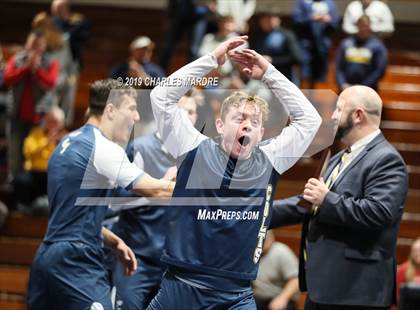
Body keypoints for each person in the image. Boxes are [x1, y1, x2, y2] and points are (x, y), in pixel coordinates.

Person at [147, 36, 321, 309]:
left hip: (235, 295)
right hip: (181, 287)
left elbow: (310, 120)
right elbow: (161, 97)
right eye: (239, 118)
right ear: (219, 125)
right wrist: (210, 61)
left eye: (255, 122)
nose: (247, 126)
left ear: (262, 133)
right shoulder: (193, 148)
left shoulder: (271, 158)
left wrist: (270, 75)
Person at [26, 79, 175, 310]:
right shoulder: (103, 147)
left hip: (47, 257)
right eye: (132, 108)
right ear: (110, 110)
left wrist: (114, 242)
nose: (136, 117)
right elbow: (156, 190)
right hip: (77, 261)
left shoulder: (66, 143)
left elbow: (74, 216)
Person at [270, 85, 409, 309]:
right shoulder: (338, 157)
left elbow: (378, 213)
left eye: (339, 109)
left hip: (356, 290)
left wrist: (327, 200)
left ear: (358, 115)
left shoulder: (386, 159)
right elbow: (308, 203)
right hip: (325, 285)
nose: (333, 116)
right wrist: (259, 212)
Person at [112, 90, 201, 309]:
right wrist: (159, 187)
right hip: (136, 259)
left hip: (175, 265)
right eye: (182, 111)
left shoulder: (200, 156)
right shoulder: (140, 148)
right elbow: (115, 201)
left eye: (192, 112)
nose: (187, 117)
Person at [4, 30, 59, 178]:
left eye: (38, 45)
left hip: (38, 119)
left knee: (33, 157)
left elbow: (51, 82)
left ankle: (30, 191)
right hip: (16, 116)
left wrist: (38, 70)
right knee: (14, 156)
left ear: (44, 47)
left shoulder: (50, 62)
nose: (35, 48)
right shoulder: (17, 59)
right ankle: (14, 188)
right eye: (32, 44)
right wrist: (26, 68)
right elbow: (7, 78)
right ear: (27, 44)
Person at [13, 106, 66, 213]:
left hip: (53, 175)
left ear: (62, 124)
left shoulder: (66, 138)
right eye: (50, 121)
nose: (52, 125)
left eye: (56, 122)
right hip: (34, 173)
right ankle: (24, 209)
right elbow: (28, 152)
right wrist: (46, 142)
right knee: (20, 180)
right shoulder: (36, 133)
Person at [292, 0, 339, 87]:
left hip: (323, 47)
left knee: (320, 77)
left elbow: (335, 23)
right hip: (306, 45)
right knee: (305, 75)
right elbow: (297, 20)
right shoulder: (302, 2)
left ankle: (315, 99)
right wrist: (312, 18)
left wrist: (328, 20)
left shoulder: (329, 3)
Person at [336, 15, 387, 91]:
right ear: (357, 26)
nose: (363, 29)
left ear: (370, 27)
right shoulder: (346, 43)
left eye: (366, 26)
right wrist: (342, 84)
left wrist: (363, 86)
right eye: (361, 26)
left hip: (368, 90)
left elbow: (379, 70)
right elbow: (339, 67)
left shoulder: (377, 45)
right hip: (346, 89)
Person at [252, 231, 300, 310]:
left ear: (271, 239)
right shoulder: (253, 253)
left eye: (263, 240)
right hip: (258, 298)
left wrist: (283, 298)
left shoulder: (281, 252)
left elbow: (295, 280)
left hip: (280, 297)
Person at [251, 11, 302, 84]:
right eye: (265, 19)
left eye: (271, 19)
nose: (268, 22)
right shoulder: (258, 36)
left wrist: (272, 60)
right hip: (264, 78)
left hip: (284, 76)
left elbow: (296, 58)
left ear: (278, 20)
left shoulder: (287, 35)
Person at [397, 238, 420, 303]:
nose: (417, 254)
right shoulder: (404, 269)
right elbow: (398, 295)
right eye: (415, 251)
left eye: (419, 251)